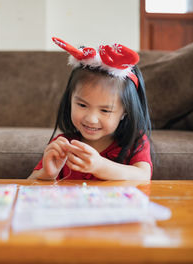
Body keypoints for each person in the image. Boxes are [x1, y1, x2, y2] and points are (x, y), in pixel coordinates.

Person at [28, 37, 153, 181]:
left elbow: (143, 176)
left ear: (125, 111)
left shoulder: (136, 142)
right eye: (82, 105)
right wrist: (47, 174)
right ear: (70, 100)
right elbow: (27, 186)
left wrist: (100, 166)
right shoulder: (63, 144)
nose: (91, 119)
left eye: (105, 110)